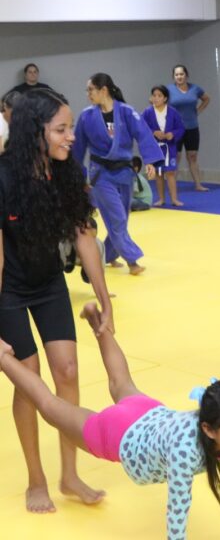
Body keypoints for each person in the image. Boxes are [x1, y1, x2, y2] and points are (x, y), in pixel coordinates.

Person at [0, 303, 220, 540]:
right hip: (121, 437)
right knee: (50, 407)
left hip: (149, 413)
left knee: (121, 381)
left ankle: (98, 322)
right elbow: (178, 506)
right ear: (208, 428)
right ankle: (4, 357)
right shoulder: (187, 452)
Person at [0, 89, 113, 513]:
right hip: (8, 287)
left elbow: (85, 235)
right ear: (36, 131)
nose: (70, 137)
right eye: (61, 130)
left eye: (70, 129)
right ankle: (36, 479)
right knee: (28, 380)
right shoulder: (4, 176)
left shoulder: (65, 172)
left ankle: (69, 475)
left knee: (67, 370)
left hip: (48, 282)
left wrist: (104, 298)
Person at [73, 73, 163, 275]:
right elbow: (78, 148)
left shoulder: (127, 112)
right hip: (101, 175)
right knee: (117, 218)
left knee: (122, 218)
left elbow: (144, 135)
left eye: (91, 90)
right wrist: (76, 177)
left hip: (124, 172)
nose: (88, 94)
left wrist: (149, 161)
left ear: (103, 90)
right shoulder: (86, 116)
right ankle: (133, 260)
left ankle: (108, 255)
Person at [167, 64, 210, 192]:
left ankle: (198, 184)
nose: (179, 77)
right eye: (176, 75)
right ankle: (172, 186)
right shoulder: (168, 90)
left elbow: (206, 99)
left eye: (181, 74)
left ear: (186, 75)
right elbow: (155, 100)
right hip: (175, 129)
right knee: (176, 156)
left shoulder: (195, 89)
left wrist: (198, 111)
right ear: (174, 77)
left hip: (192, 127)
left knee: (193, 156)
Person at [142, 85, 185, 206]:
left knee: (170, 172)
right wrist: (153, 132)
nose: (156, 98)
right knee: (158, 173)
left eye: (159, 96)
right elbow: (141, 127)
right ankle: (161, 198)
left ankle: (174, 199)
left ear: (165, 98)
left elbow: (180, 128)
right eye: (154, 95)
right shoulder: (147, 112)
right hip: (155, 147)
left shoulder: (173, 112)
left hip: (169, 146)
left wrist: (172, 134)